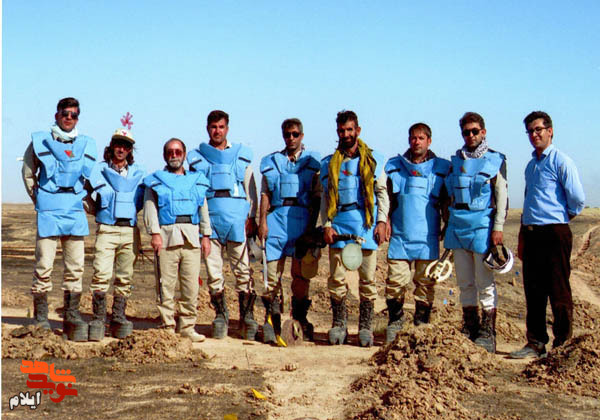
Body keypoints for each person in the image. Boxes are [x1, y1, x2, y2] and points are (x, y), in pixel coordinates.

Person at [509, 111, 585, 359]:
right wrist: (523, 236)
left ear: (550, 131)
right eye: (530, 131)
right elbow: (529, 200)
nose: (534, 135)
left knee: (558, 288)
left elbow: (577, 199)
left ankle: (562, 345)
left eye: (538, 129)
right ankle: (535, 343)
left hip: (554, 232)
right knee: (534, 290)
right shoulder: (531, 166)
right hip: (532, 233)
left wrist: (560, 219)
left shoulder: (561, 161)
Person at [21, 97, 97, 341]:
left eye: (74, 114)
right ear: (57, 115)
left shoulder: (86, 144)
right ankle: (41, 319)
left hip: (74, 211)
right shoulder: (40, 141)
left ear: (78, 118)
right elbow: (28, 173)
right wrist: (40, 200)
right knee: (43, 267)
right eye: (65, 113)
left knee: (75, 268)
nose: (69, 118)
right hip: (49, 212)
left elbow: (89, 181)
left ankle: (71, 316)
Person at [187, 110, 259, 340]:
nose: (217, 131)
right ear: (207, 128)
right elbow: (195, 192)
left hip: (237, 219)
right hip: (210, 220)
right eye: (213, 127)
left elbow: (251, 190)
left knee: (243, 269)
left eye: (221, 127)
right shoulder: (197, 159)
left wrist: (252, 217)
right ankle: (221, 315)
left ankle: (247, 317)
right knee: (213, 271)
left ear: (227, 128)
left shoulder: (241, 156)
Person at [319, 110, 388, 347]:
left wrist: (381, 221)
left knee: (367, 279)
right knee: (337, 278)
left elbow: (381, 193)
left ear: (358, 130)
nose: (346, 134)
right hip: (339, 224)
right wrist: (327, 225)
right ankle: (339, 324)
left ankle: (366, 328)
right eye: (342, 130)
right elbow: (325, 198)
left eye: (350, 130)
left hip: (365, 225)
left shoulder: (374, 160)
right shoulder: (329, 164)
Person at [444, 112, 508, 353]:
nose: (470, 135)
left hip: (482, 227)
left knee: (484, 282)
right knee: (464, 282)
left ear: (483, 132)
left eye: (474, 131)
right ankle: (470, 326)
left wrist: (498, 228)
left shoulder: (495, 160)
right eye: (466, 132)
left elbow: (501, 197)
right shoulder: (455, 162)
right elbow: (448, 196)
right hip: (458, 227)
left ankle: (488, 332)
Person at [384, 123, 450, 343]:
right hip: (400, 237)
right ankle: (395, 322)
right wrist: (385, 220)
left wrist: (448, 224)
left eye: (421, 138)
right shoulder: (394, 167)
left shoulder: (442, 169)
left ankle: (421, 324)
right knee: (395, 282)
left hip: (427, 238)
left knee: (426, 284)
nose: (417, 142)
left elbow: (447, 201)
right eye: (413, 138)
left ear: (429, 141)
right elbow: (386, 199)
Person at [258, 118, 321, 343]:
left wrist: (311, 229)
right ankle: (271, 319)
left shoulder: (313, 163)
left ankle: (300, 320)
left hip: (302, 222)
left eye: (295, 134)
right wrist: (262, 222)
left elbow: (317, 197)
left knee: (301, 276)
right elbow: (265, 194)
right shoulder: (271, 162)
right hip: (276, 221)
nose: (291, 138)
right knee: (271, 275)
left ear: (301, 135)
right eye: (287, 134)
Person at [143, 138, 210, 342]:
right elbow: (150, 209)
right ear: (165, 156)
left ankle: (188, 326)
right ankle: (167, 326)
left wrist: (206, 236)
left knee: (191, 286)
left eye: (178, 151)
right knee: (165, 285)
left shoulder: (197, 180)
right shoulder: (155, 180)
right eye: (170, 152)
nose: (174, 155)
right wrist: (155, 234)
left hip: (192, 238)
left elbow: (203, 209)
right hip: (166, 237)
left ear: (184, 154)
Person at [87, 127, 145, 341]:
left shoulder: (139, 173)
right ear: (111, 146)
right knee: (101, 274)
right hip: (107, 229)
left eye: (126, 146)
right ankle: (98, 319)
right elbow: (85, 193)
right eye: (118, 144)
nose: (121, 149)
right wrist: (96, 210)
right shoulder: (98, 170)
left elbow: (142, 199)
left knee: (125, 276)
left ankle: (118, 317)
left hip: (129, 230)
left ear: (130, 150)